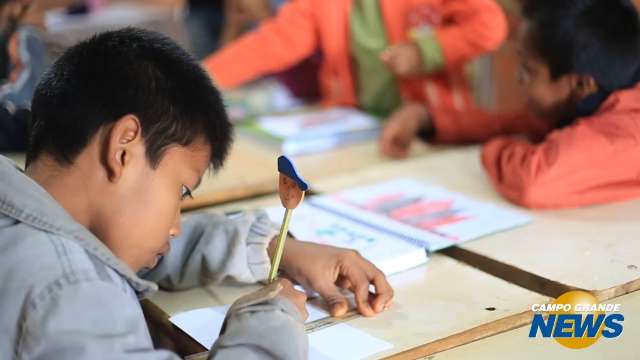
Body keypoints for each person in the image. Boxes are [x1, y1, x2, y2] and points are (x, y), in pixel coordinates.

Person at [0, 27, 393, 359]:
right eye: (181, 191)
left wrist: (277, 249)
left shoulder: (26, 219)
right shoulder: (72, 295)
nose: (174, 227)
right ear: (123, 148)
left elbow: (115, 251)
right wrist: (268, 324)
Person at [385, 0, 640, 209]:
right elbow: (517, 123)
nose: (518, 78)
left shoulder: (625, 130)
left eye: (528, 70)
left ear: (580, 85)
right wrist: (428, 119)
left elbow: (534, 183)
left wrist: (496, 148)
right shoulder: (597, 93)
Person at [203, 0, 508, 132]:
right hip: (361, 129)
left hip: (433, 130)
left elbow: (490, 26)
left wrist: (425, 51)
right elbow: (272, 42)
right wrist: (195, 77)